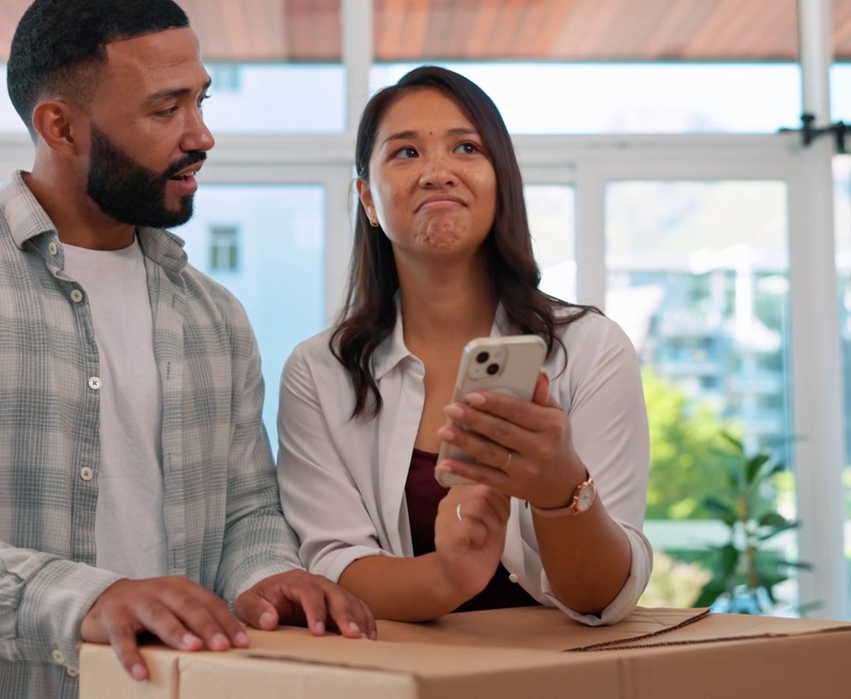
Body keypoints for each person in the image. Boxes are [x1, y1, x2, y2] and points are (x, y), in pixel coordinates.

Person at [0, 0, 374, 696]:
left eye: (200, 100)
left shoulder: (214, 316)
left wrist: (272, 577)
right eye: (164, 108)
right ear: (61, 127)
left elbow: (246, 513)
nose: (200, 134)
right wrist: (86, 599)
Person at [276, 66, 652, 624]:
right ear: (368, 200)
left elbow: (604, 597)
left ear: (500, 182)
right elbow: (336, 564)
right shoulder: (319, 370)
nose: (436, 172)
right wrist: (446, 575)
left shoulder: (591, 348)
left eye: (466, 148)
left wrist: (559, 489)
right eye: (404, 153)